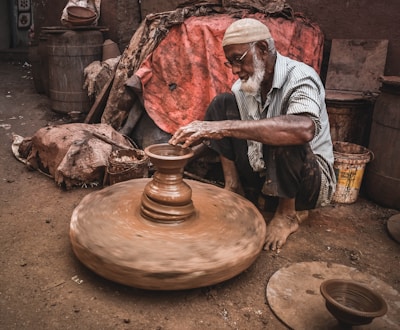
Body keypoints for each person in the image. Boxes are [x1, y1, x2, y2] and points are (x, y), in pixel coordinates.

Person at [169, 18, 336, 251]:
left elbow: (304, 128)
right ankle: (234, 186)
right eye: (230, 63)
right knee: (222, 104)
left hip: (308, 182)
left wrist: (221, 127)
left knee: (286, 131)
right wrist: (181, 157)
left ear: (263, 49)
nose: (236, 70)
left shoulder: (300, 77)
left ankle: (288, 214)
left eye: (238, 59)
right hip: (266, 168)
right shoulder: (244, 86)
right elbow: (228, 134)